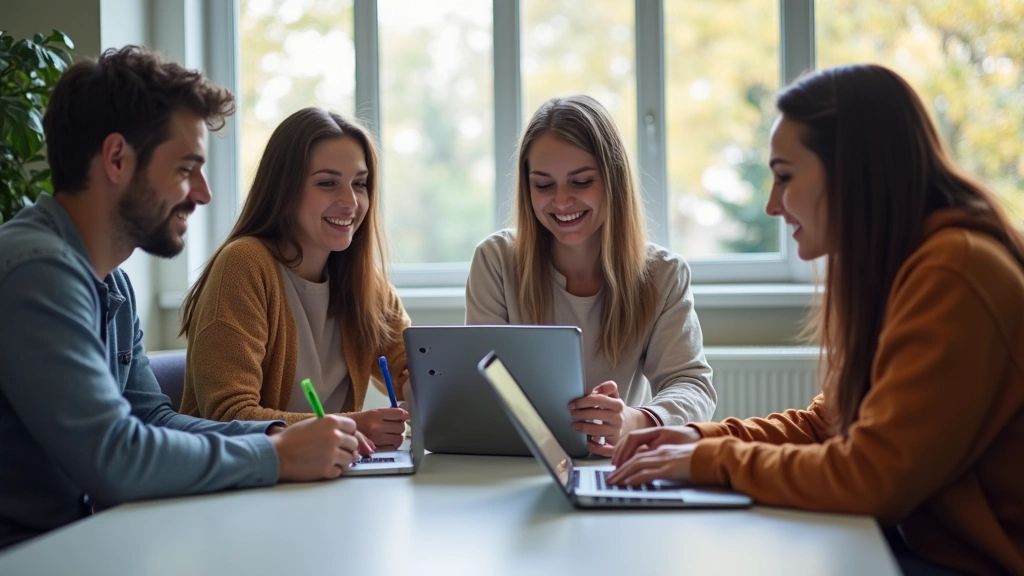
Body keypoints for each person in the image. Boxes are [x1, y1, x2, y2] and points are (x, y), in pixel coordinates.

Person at [609, 64, 1024, 576]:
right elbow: (826, 426)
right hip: (924, 547)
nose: (771, 204)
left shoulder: (955, 271)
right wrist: (700, 439)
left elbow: (871, 478)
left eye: (784, 176)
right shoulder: (902, 267)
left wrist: (708, 462)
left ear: (854, 170)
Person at [0, 46, 365, 550]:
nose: (203, 193)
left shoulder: (111, 282)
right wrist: (277, 457)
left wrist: (277, 435)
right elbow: (115, 458)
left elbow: (154, 419)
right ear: (117, 159)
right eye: (186, 168)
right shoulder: (37, 269)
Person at [466, 95, 716, 457]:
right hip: (517, 462)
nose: (562, 201)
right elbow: (484, 384)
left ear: (613, 180)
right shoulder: (495, 261)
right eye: (544, 185)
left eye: (581, 182)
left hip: (612, 466)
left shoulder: (663, 274)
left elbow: (691, 384)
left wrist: (636, 420)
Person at [178, 107, 410, 451]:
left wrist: (422, 388)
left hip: (327, 482)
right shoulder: (244, 264)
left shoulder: (365, 282)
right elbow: (229, 416)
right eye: (327, 183)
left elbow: (412, 365)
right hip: (244, 486)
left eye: (359, 184)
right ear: (284, 189)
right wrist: (348, 425)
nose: (350, 202)